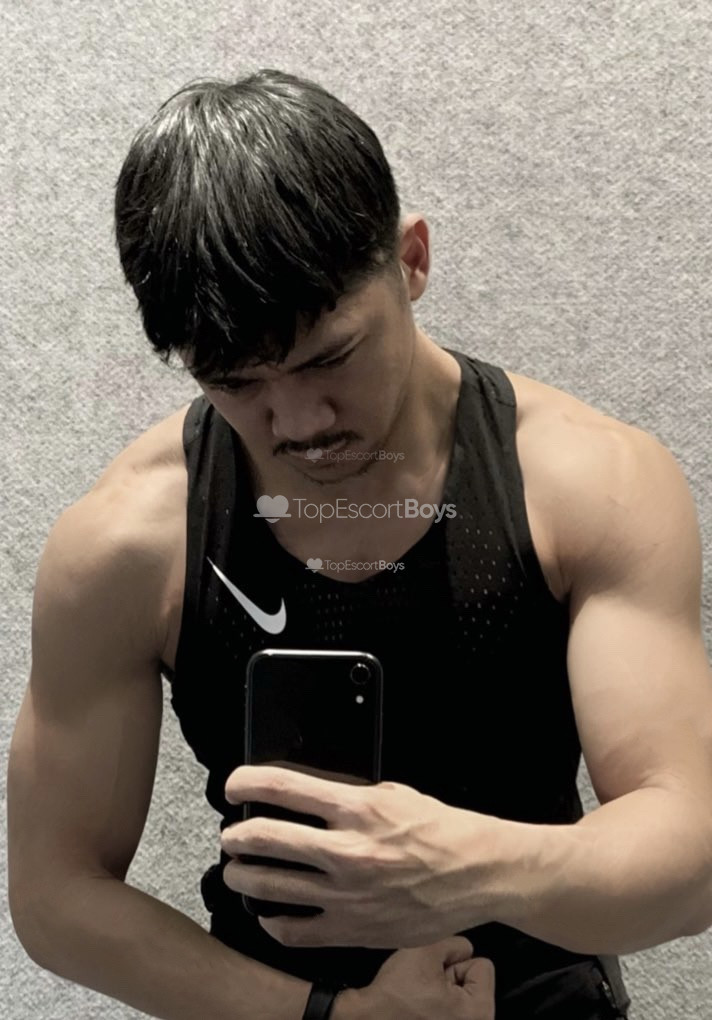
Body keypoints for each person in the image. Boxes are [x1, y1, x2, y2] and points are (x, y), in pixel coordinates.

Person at [8, 69, 712, 1020]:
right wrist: (334, 1017)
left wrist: (466, 867)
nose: (300, 423)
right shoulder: (129, 539)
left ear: (411, 261)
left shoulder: (590, 482)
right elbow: (56, 895)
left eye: (330, 356)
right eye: (235, 381)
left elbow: (693, 857)